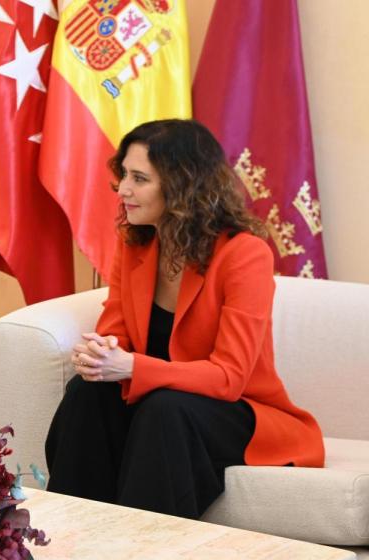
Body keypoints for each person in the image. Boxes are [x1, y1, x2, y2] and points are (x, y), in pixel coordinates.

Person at [44, 119, 324, 519]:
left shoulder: (244, 254)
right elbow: (116, 328)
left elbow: (229, 378)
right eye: (124, 174)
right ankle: (72, 537)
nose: (123, 189)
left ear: (181, 186)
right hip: (162, 406)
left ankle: (146, 552)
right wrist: (101, 353)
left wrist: (132, 367)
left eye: (139, 178)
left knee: (165, 408)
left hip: (238, 411)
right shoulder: (135, 245)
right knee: (87, 393)